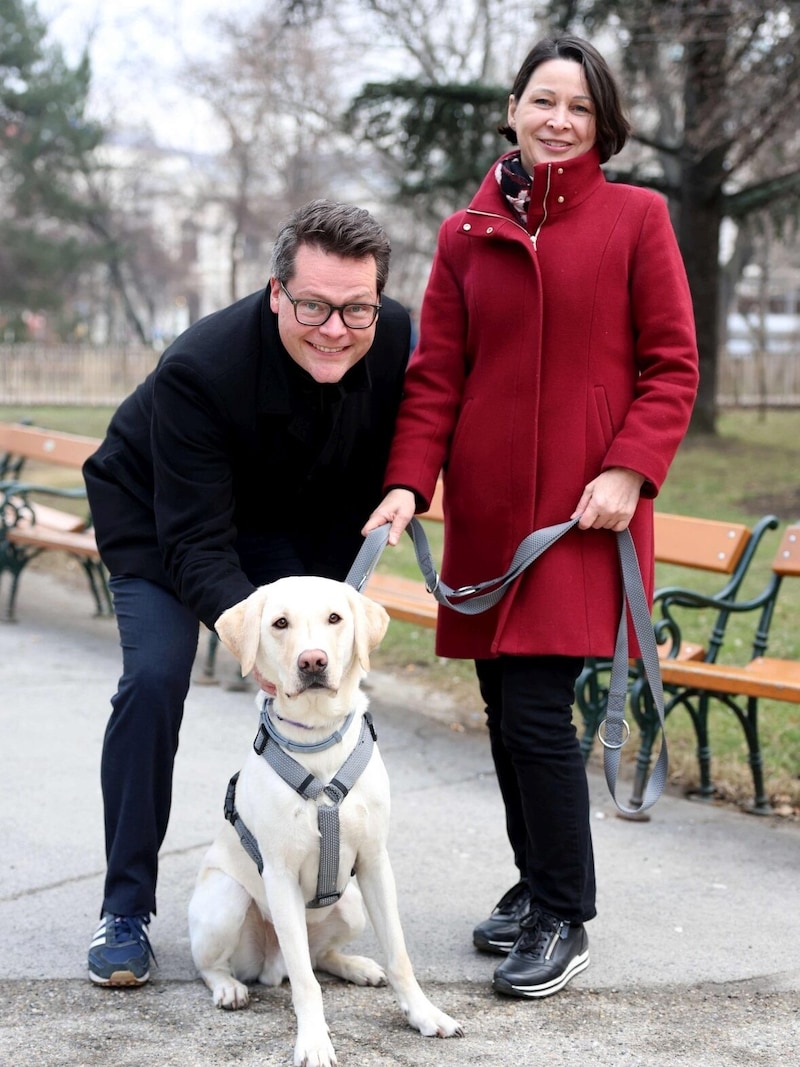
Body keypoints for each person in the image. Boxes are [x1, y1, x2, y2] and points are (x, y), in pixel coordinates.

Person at [363, 36, 699, 999]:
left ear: (604, 126)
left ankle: (564, 911)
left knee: (541, 712)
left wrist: (631, 471)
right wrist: (406, 481)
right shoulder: (465, 232)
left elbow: (671, 364)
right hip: (490, 517)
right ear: (512, 108)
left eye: (580, 108)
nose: (559, 120)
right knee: (505, 710)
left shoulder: (639, 217)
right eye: (544, 100)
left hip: (586, 514)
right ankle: (532, 878)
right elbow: (436, 376)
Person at [83, 200, 411, 987]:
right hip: (164, 520)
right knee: (157, 677)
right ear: (275, 293)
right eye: (313, 306)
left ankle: (318, 878)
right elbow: (195, 542)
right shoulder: (200, 368)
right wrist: (259, 649)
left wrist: (407, 489)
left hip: (292, 523)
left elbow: (419, 429)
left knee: (327, 674)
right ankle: (125, 908)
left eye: (356, 308)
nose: (336, 327)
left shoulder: (393, 332)